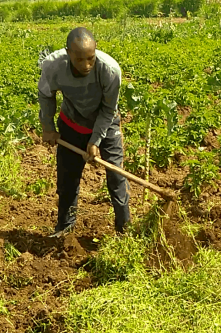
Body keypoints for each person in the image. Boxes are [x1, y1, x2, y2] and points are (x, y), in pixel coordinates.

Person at [38, 27, 130, 237]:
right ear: (68, 53)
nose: (87, 65)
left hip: (106, 126)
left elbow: (108, 110)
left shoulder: (110, 70)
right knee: (67, 179)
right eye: (79, 59)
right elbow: (46, 95)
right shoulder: (53, 66)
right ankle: (65, 228)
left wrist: (95, 140)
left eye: (90, 58)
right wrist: (48, 127)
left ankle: (125, 231)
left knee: (116, 178)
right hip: (71, 124)